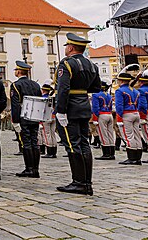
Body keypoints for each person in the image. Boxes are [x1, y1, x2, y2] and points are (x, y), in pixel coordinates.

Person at [54, 33, 101, 196]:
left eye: (67, 46)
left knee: (72, 144)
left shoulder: (66, 63)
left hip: (70, 108)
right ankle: (87, 182)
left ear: (71, 47)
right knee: (84, 144)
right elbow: (96, 88)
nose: (66, 48)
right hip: (83, 107)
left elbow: (63, 89)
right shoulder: (91, 65)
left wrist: (60, 110)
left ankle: (79, 182)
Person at [10, 61, 42, 178]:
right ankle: (36, 169)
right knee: (35, 142)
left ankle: (29, 168)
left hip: (23, 116)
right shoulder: (36, 85)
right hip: (34, 116)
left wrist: (15, 120)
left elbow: (15, 105)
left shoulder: (16, 85)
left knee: (26, 143)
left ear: (19, 71)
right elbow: (39, 102)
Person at [115, 72, 145, 165]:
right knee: (136, 135)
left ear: (122, 81)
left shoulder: (119, 91)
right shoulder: (136, 91)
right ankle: (138, 157)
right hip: (135, 112)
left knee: (128, 136)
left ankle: (132, 158)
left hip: (126, 114)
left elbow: (119, 106)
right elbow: (140, 104)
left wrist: (119, 118)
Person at [92, 80, 115, 160]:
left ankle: (106, 153)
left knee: (103, 134)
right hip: (109, 114)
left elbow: (95, 108)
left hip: (102, 115)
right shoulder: (109, 96)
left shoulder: (96, 95)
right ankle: (112, 153)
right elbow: (111, 107)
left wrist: (95, 118)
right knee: (110, 134)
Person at [40, 81, 58, 158]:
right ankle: (54, 150)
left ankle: (50, 151)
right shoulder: (52, 98)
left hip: (46, 117)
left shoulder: (43, 98)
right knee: (52, 133)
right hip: (53, 116)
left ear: (43, 90)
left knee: (47, 134)